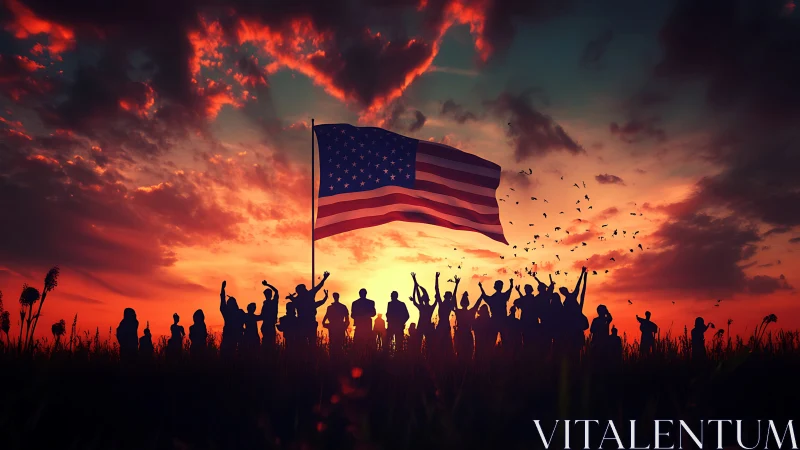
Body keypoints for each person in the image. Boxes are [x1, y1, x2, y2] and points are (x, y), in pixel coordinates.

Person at [286, 271, 330, 346]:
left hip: (304, 323)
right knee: (309, 343)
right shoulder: (306, 296)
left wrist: (291, 298)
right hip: (307, 322)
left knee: (305, 343)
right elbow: (319, 290)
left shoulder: (300, 298)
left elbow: (319, 287)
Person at [477, 279, 513, 345]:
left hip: (494, 320)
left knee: (492, 340)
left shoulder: (493, 298)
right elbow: (510, 290)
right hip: (503, 320)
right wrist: (511, 284)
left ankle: (492, 353)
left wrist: (481, 287)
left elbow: (484, 296)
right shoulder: (503, 296)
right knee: (505, 341)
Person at [433, 272, 458, 357]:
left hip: (441, 324)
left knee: (439, 343)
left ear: (444, 297)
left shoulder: (442, 304)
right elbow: (454, 295)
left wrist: (436, 278)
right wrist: (456, 284)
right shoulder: (449, 304)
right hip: (445, 324)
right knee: (446, 343)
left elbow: (437, 289)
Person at [454, 290, 482, 362]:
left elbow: (454, 299)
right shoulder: (471, 312)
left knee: (459, 353)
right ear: (468, 303)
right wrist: (482, 292)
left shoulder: (458, 311)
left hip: (460, 334)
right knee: (468, 354)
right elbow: (478, 303)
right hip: (467, 334)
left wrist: (456, 286)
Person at [219, 281, 244, 358]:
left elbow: (223, 302)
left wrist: (222, 289)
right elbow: (223, 301)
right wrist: (222, 289)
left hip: (234, 338)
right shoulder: (232, 313)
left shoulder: (235, 313)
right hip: (231, 337)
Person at [411, 273, 436, 348]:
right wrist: (415, 281)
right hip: (427, 326)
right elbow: (417, 296)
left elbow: (417, 296)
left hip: (421, 325)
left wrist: (414, 281)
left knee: (418, 344)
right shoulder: (431, 307)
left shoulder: (421, 307)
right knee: (429, 344)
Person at [260, 281, 279, 349]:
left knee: (270, 343)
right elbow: (262, 315)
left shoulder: (273, 302)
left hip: (269, 325)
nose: (266, 296)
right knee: (268, 343)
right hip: (266, 325)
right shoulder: (266, 304)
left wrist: (267, 284)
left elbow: (276, 291)